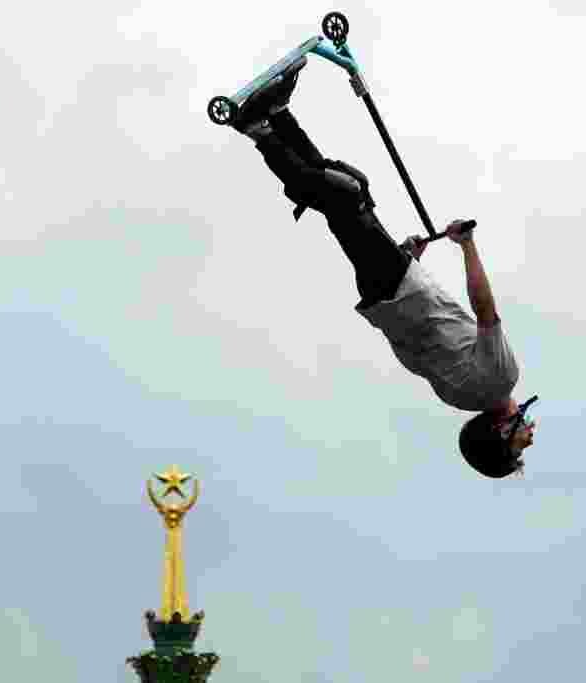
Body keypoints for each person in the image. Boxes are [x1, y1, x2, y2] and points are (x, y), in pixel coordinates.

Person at [229, 57, 536, 478]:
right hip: (385, 295)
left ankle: (258, 129)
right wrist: (408, 262)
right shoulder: (458, 397)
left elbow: (484, 309)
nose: (531, 437)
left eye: (520, 447)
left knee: (346, 195)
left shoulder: (502, 378)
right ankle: (277, 116)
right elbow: (421, 341)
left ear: (503, 432)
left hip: (398, 288)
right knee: (348, 196)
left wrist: (467, 245)